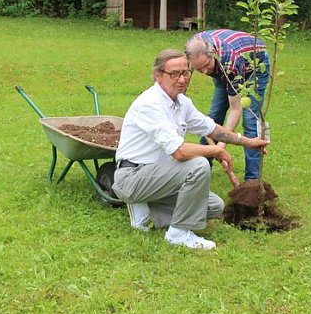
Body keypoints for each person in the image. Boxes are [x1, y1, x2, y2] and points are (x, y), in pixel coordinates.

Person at [112, 49, 269, 249]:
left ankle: (146, 207)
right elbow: (179, 152)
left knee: (213, 206)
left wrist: (248, 142)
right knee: (198, 165)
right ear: (157, 76)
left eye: (186, 73)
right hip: (133, 176)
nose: (182, 79)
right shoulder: (149, 104)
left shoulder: (182, 103)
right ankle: (178, 233)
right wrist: (216, 151)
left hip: (160, 177)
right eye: (174, 74)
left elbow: (211, 128)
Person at [185, 29, 270, 180]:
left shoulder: (230, 62)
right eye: (198, 69)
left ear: (212, 53)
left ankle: (252, 180)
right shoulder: (192, 51)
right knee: (213, 117)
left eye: (206, 65)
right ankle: (202, 169)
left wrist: (221, 146)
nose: (205, 72)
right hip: (222, 68)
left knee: (250, 119)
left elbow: (235, 109)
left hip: (256, 66)